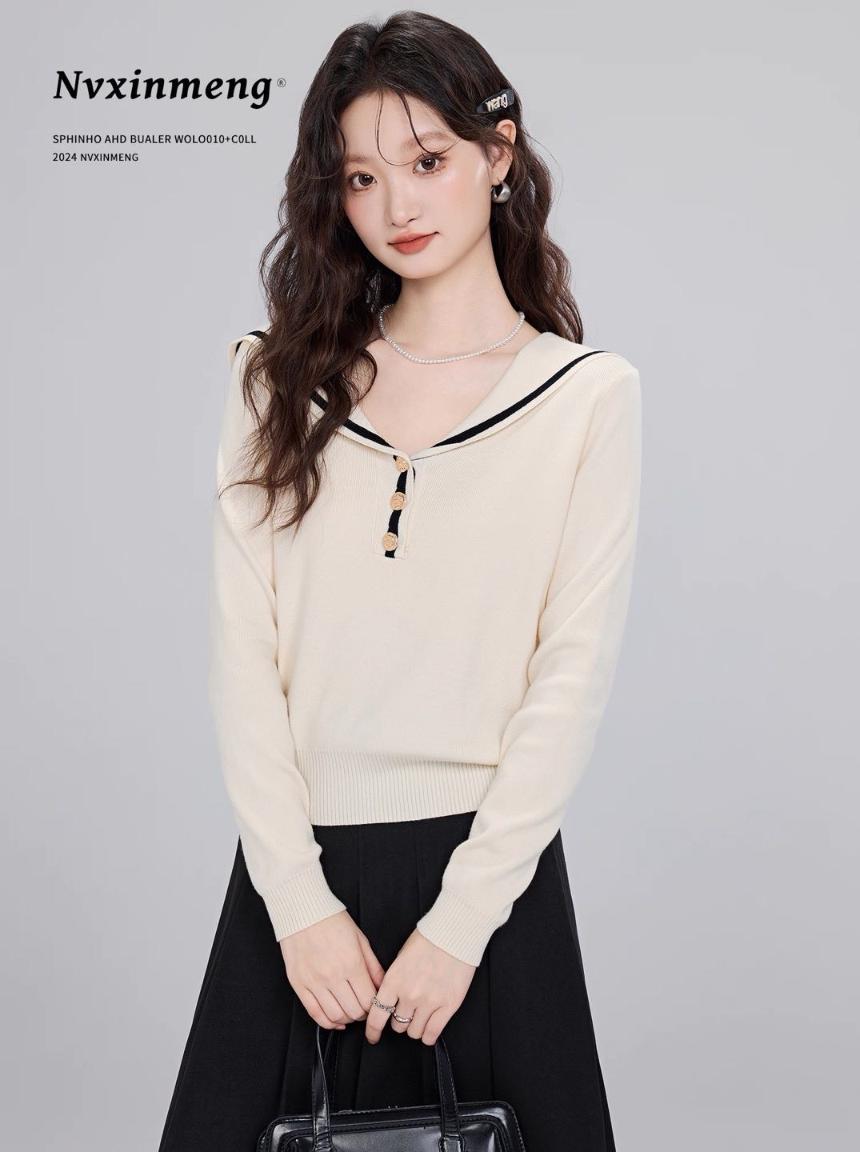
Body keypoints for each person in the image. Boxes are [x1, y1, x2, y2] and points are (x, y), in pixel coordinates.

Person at [157, 10, 641, 1152]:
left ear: (498, 153)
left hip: (491, 893)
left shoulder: (587, 399)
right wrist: (297, 902)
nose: (397, 208)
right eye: (362, 179)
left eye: (427, 161)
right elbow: (244, 657)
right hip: (296, 887)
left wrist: (461, 925)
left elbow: (568, 683)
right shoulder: (276, 383)